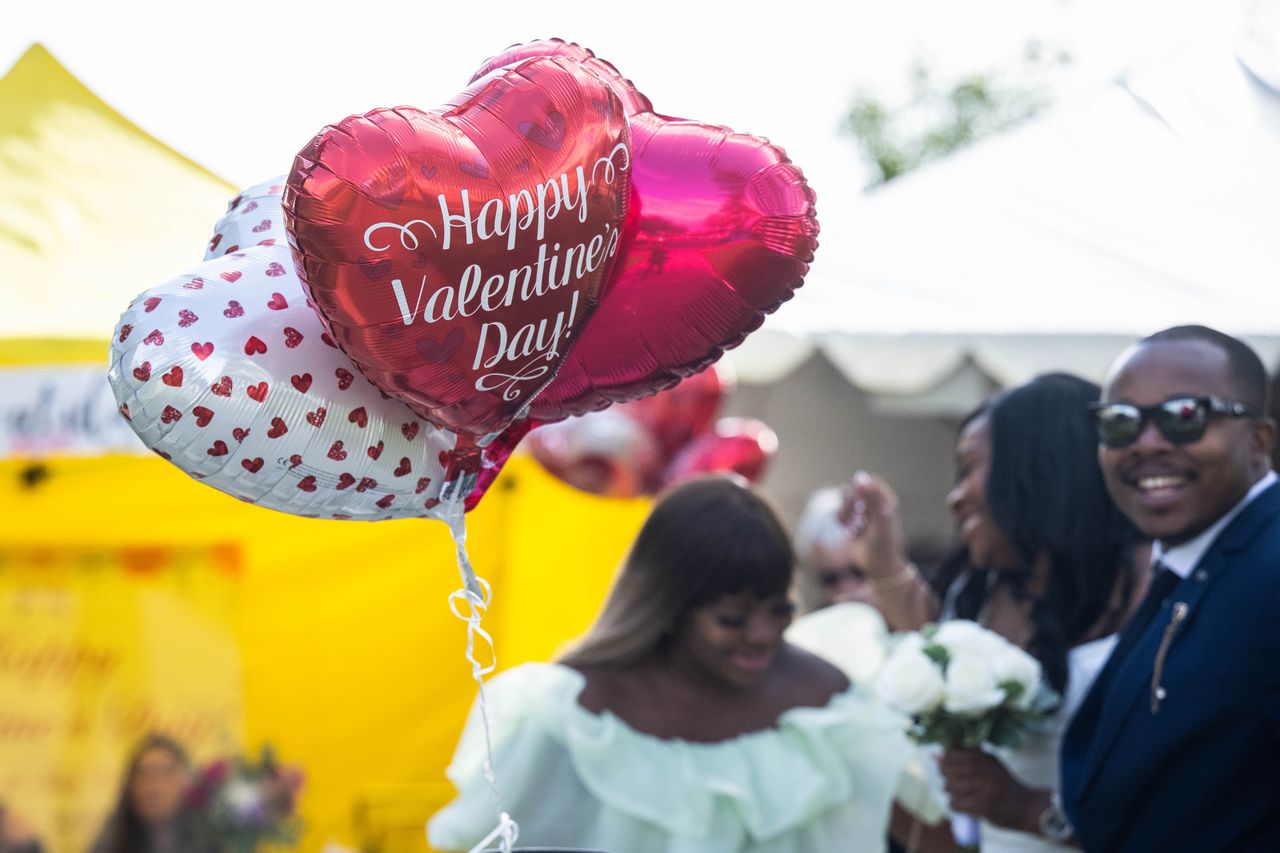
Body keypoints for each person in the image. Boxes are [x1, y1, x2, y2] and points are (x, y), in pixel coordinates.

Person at [428, 475, 911, 852]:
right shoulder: (572, 716)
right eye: (733, 617)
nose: (762, 635)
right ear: (670, 608)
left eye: (779, 610)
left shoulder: (827, 702)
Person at [848, 373, 1149, 852]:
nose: (955, 496)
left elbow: (1175, 809)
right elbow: (942, 653)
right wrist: (883, 562)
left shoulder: (1148, 591)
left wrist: (1027, 808)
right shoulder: (983, 588)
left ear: (1040, 470)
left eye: (970, 469)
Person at [1060, 325, 1280, 852]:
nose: (1147, 444)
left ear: (1258, 441)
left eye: (1185, 417)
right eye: (1120, 423)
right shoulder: (1192, 564)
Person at [89, 734, 209, 853]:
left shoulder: (213, 840)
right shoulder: (111, 843)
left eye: (166, 772)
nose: (154, 787)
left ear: (188, 781)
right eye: (144, 774)